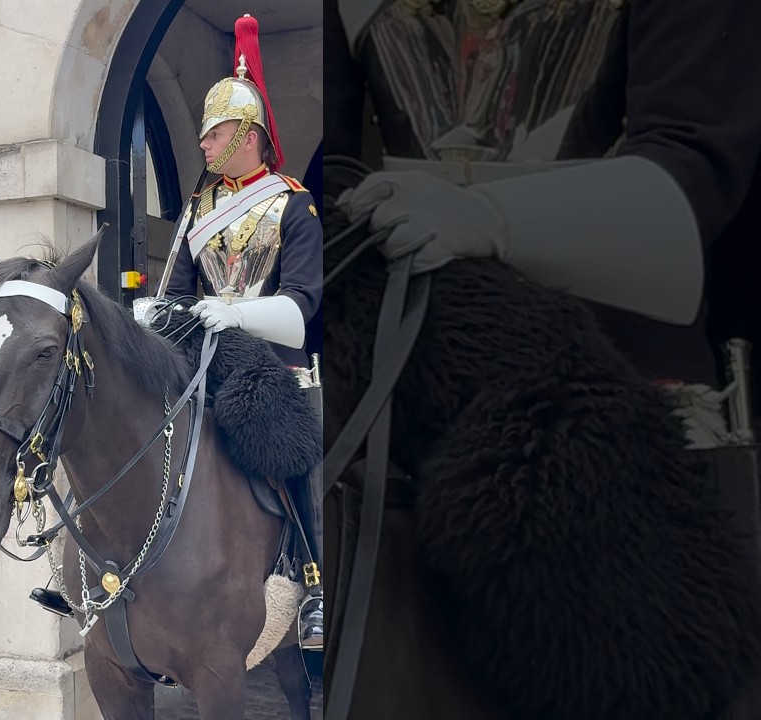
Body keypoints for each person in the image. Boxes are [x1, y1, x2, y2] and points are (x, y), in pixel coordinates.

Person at [324, 0, 761, 428]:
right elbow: (310, 157)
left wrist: (490, 217)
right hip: (394, 352)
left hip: (621, 358)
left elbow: (695, 163)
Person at [156, 13, 326, 650]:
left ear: (246, 135)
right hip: (205, 360)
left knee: (296, 457)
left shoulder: (292, 203)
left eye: (214, 132)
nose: (202, 145)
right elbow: (175, 294)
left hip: (274, 366)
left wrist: (231, 313)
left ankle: (310, 581)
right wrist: (152, 319)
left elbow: (303, 306)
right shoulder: (196, 212)